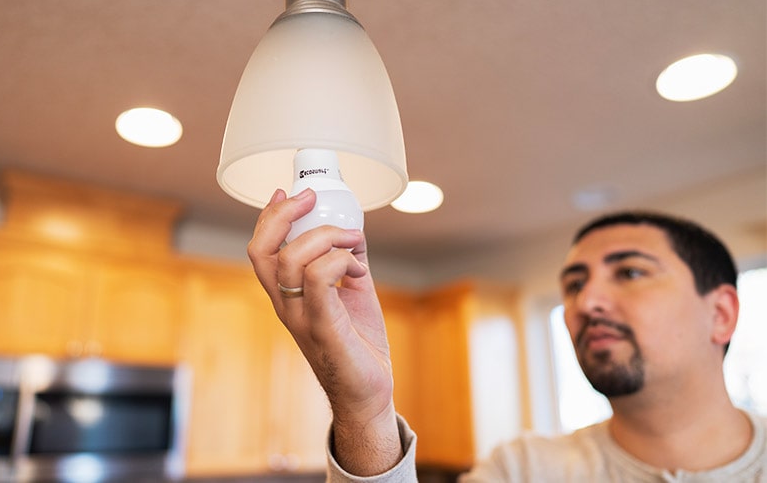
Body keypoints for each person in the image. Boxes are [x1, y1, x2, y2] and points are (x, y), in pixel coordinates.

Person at [247, 188, 767, 482]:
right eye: (574, 285)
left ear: (721, 313)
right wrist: (364, 411)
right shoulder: (523, 470)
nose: (587, 303)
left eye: (629, 272)